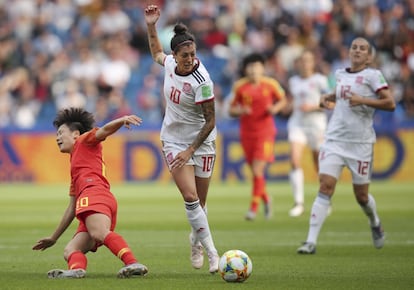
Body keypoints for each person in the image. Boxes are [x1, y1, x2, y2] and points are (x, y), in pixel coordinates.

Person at [297, 37, 395, 254]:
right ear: (349, 52)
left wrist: (364, 100)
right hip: (334, 139)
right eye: (354, 47)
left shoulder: (373, 75)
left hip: (360, 144)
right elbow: (340, 96)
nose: (358, 51)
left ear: (369, 56)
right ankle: (310, 241)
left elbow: (390, 103)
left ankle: (375, 222)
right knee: (325, 186)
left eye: (363, 49)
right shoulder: (340, 74)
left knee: (361, 196)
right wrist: (327, 97)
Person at [144, 5, 220, 273]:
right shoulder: (169, 66)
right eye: (184, 55)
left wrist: (191, 149)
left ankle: (195, 238)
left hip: (202, 142)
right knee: (190, 198)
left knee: (201, 202)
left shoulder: (203, 81)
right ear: (174, 56)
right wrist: (152, 26)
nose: (190, 59)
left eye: (193, 54)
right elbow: (155, 52)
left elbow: (210, 121)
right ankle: (212, 252)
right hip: (174, 142)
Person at [32, 107, 148, 278]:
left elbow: (104, 131)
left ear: (76, 134)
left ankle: (132, 263)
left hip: (94, 195)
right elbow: (72, 208)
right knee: (71, 249)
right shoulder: (76, 166)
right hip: (94, 201)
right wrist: (54, 237)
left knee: (99, 232)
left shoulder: (83, 141)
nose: (57, 138)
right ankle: (76, 270)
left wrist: (121, 120)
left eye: (60, 133)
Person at [228, 53, 287, 221]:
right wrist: (240, 111)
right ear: (246, 69)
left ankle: (253, 208)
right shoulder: (240, 87)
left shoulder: (271, 84)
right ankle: (267, 199)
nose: (254, 70)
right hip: (247, 133)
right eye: (250, 66)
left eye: (257, 66)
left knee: (257, 169)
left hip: (266, 133)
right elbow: (230, 110)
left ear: (263, 68)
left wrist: (275, 109)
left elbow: (283, 100)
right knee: (255, 172)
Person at [287, 50, 330, 217]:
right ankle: (298, 202)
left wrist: (312, 107)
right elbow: (293, 102)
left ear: (313, 63)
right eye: (302, 60)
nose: (305, 64)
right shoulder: (293, 81)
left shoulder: (320, 80)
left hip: (316, 125)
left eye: (308, 60)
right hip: (297, 123)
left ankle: (325, 198)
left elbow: (330, 103)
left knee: (318, 164)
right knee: (294, 160)